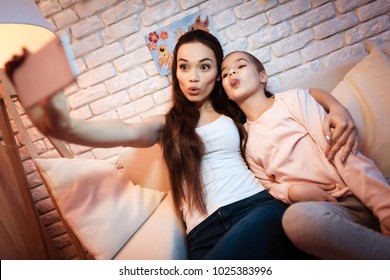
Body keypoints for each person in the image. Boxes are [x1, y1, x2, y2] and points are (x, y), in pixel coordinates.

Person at [7, 30, 356, 259]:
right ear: (175, 72)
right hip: (201, 236)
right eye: (184, 67)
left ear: (217, 73)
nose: (193, 77)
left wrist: (335, 106)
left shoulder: (235, 109)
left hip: (255, 209)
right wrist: (64, 126)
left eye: (204, 67)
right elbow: (123, 130)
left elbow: (284, 100)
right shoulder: (167, 125)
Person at [221, 50, 390, 259]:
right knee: (295, 220)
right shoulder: (245, 142)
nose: (232, 73)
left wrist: (384, 208)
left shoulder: (293, 101)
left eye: (240, 66)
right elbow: (268, 185)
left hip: (365, 191)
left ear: (262, 76)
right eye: (225, 73)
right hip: (333, 212)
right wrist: (292, 191)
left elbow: (342, 152)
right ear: (226, 93)